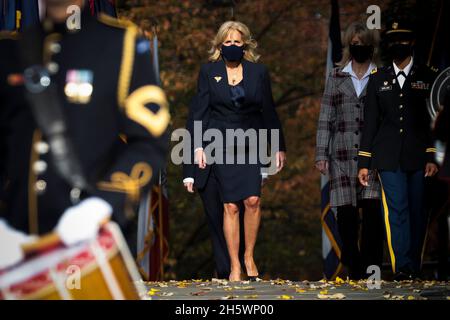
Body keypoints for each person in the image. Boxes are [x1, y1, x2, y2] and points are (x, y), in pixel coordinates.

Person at [0, 0, 169, 269]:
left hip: (92, 245)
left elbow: (149, 142)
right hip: (18, 246)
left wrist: (102, 206)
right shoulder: (9, 49)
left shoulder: (119, 45)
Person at [190, 21, 286, 281]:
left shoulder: (259, 72)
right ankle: (234, 266)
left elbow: (269, 111)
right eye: (228, 42)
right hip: (219, 142)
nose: (232, 46)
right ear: (220, 46)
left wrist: (277, 146)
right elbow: (199, 112)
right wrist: (198, 146)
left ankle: (249, 256)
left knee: (253, 200)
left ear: (245, 44)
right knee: (230, 205)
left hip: (251, 141)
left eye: (237, 41)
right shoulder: (209, 72)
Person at [357, 21, 439, 280]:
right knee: (397, 209)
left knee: (417, 211)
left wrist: (431, 156)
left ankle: (413, 264)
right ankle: (402, 266)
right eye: (392, 41)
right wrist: (364, 161)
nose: (397, 46)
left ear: (411, 43)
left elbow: (432, 122)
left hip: (419, 155)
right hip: (387, 155)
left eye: (402, 41)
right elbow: (370, 122)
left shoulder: (428, 76)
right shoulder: (378, 78)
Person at [315, 22, 384, 279]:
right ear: (348, 46)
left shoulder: (381, 75)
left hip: (373, 156)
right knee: (346, 216)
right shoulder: (336, 76)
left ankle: (371, 268)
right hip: (341, 155)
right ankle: (353, 266)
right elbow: (326, 117)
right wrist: (321, 154)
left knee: (373, 215)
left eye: (363, 43)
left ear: (371, 46)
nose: (359, 48)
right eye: (354, 43)